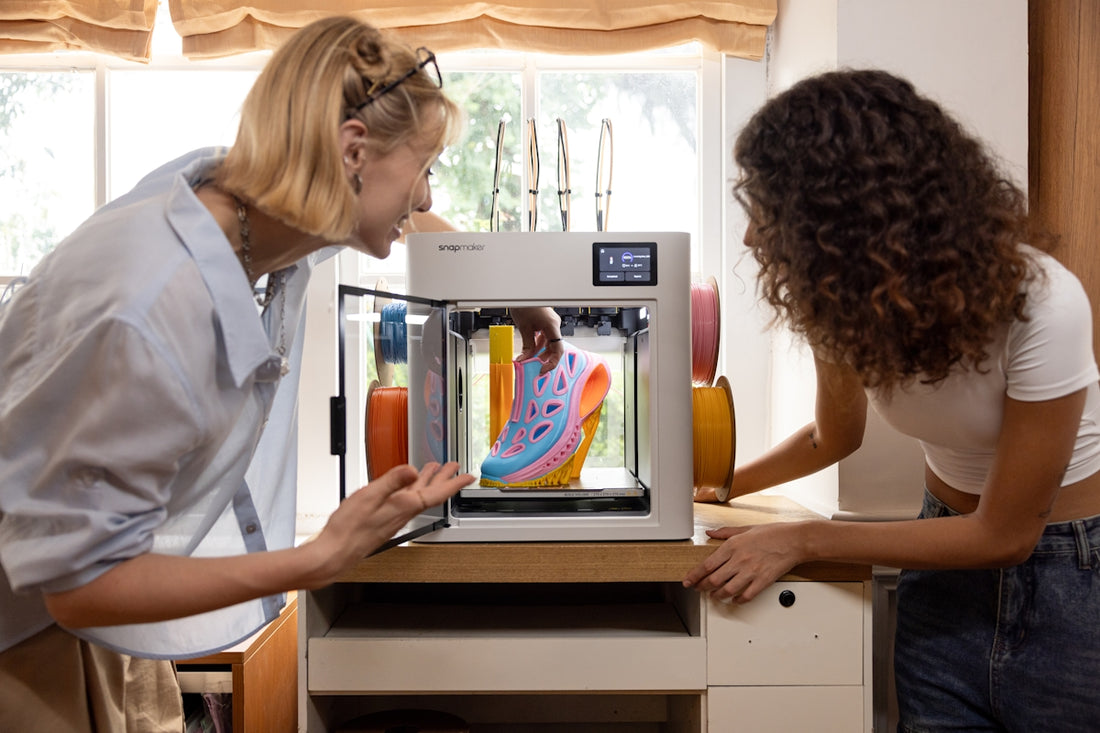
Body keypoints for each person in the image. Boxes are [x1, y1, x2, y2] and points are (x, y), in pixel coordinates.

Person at [0, 16, 560, 732]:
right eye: (423, 172)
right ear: (353, 150)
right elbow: (79, 585)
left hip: (98, 617)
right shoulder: (148, 309)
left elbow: (410, 222)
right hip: (24, 630)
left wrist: (514, 290)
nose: (424, 198)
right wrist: (319, 556)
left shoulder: (248, 209)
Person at [684, 69, 1100, 731]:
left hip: (1070, 576)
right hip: (940, 564)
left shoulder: (1044, 303)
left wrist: (805, 538)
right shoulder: (844, 301)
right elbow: (832, 436)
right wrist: (709, 486)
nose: (752, 238)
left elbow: (1006, 535)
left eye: (768, 210)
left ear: (843, 212)